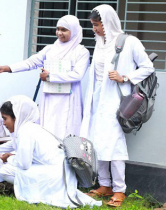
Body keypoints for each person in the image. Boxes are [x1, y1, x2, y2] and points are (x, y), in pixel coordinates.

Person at [0, 95, 101, 208]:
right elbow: (8, 146)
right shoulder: (29, 128)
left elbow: (24, 164)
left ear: (16, 117)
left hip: (55, 176)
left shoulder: (25, 132)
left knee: (4, 170)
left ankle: (36, 193)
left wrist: (8, 158)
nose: (4, 123)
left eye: (5, 119)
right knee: (8, 166)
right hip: (60, 173)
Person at [80, 5, 154, 207]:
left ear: (108, 23)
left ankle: (119, 190)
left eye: (96, 25)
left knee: (114, 144)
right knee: (98, 142)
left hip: (116, 102)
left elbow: (148, 67)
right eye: (93, 25)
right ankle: (104, 185)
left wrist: (125, 77)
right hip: (97, 101)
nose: (94, 29)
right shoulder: (99, 43)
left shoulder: (129, 42)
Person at [0, 15, 90, 140]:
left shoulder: (81, 52)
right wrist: (6, 68)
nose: (59, 33)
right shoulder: (50, 49)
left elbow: (77, 74)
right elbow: (31, 62)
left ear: (73, 31)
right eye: (58, 29)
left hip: (69, 98)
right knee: (48, 130)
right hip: (50, 97)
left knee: (66, 131)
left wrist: (51, 76)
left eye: (64, 30)